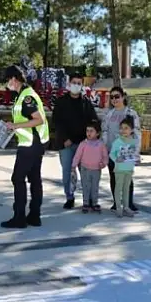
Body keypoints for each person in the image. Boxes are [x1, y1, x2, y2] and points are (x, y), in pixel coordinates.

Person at [1, 65, 49, 229]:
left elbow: (38, 119)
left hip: (30, 144)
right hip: (35, 143)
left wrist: (15, 125)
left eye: (8, 80)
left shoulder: (27, 97)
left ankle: (19, 217)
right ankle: (34, 216)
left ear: (14, 79)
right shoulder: (24, 95)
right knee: (35, 179)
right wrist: (13, 126)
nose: (7, 84)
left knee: (18, 178)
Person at [52, 72, 99, 209]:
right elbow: (56, 122)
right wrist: (65, 138)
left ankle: (88, 198)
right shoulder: (61, 102)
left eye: (79, 83)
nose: (76, 86)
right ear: (69, 84)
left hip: (83, 144)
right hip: (66, 144)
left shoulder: (86, 103)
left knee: (85, 172)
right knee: (67, 172)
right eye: (74, 83)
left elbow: (93, 121)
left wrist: (91, 137)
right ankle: (70, 197)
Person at [102, 86, 140, 212]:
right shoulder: (108, 114)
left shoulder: (130, 114)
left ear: (123, 97)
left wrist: (136, 151)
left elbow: (136, 133)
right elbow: (104, 131)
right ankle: (116, 202)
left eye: (117, 96)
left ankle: (129, 203)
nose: (114, 99)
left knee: (127, 177)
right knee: (114, 177)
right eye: (112, 97)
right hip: (112, 151)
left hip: (126, 151)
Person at [71, 120, 108, 213]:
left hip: (96, 169)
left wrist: (103, 163)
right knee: (86, 186)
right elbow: (78, 155)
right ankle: (86, 203)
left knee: (95, 187)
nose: (89, 133)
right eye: (87, 131)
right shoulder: (83, 143)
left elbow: (105, 156)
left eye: (91, 131)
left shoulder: (101, 144)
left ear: (97, 133)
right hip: (85, 169)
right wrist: (74, 165)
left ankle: (94, 203)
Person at [109, 116, 138, 218]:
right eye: (122, 128)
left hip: (129, 170)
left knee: (126, 189)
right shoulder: (117, 142)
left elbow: (133, 154)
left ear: (131, 130)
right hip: (119, 170)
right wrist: (117, 159)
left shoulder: (133, 142)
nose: (123, 130)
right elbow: (112, 154)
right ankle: (118, 207)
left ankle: (126, 207)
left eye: (126, 128)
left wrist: (136, 159)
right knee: (118, 188)